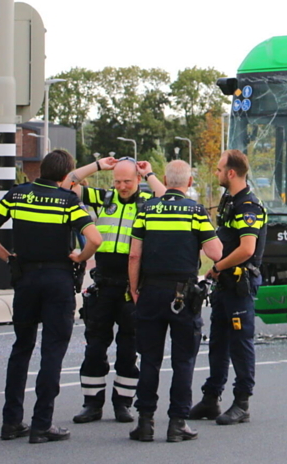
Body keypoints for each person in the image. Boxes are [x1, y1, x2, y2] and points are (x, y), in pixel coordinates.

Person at [0, 149, 102, 444]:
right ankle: (42, 424)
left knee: (21, 348)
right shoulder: (69, 201)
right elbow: (94, 239)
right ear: (63, 175)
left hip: (26, 280)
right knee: (52, 352)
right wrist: (79, 257)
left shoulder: (17, 195)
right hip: (57, 280)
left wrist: (8, 258)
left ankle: (11, 422)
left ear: (42, 170)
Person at [65, 156, 166, 424]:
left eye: (128, 181)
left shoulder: (148, 204)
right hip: (104, 285)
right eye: (118, 181)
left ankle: (123, 403)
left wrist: (151, 174)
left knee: (128, 348)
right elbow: (68, 183)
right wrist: (97, 165)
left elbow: (169, 199)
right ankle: (92, 403)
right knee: (95, 346)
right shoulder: (104, 199)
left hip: (132, 288)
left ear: (138, 180)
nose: (122, 186)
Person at [127, 160, 222, 443]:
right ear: (189, 182)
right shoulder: (195, 211)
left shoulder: (146, 210)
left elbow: (134, 255)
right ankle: (177, 423)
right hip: (183, 295)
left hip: (150, 293)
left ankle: (145, 423)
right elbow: (216, 252)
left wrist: (135, 290)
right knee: (183, 361)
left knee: (149, 360)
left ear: (166, 180)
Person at [188, 150, 267, 426]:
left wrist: (218, 266)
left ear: (231, 173)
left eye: (220, 169)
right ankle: (212, 398)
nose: (217, 172)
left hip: (239, 283)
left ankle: (242, 402)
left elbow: (247, 249)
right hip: (225, 283)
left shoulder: (248, 206)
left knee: (240, 343)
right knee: (218, 343)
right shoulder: (229, 200)